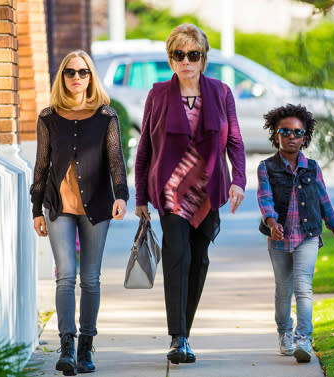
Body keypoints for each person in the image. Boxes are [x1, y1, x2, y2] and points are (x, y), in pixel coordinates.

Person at [134, 23, 246, 364]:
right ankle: (177, 337)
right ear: (170, 59)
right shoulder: (157, 94)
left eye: (192, 55)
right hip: (170, 192)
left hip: (208, 190)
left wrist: (238, 180)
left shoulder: (221, 93)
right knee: (177, 257)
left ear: (203, 58)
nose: (185, 61)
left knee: (199, 260)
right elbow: (145, 148)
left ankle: (185, 332)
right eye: (178, 55)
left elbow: (236, 142)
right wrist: (140, 196)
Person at [30, 49, 128, 375]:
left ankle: (87, 346)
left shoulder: (105, 117)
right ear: (63, 77)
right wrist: (36, 210)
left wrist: (122, 196)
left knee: (90, 279)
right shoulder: (48, 117)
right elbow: (41, 166)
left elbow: (116, 161)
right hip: (58, 207)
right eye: (70, 72)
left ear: (91, 77)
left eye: (83, 72)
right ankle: (67, 347)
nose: (76, 78)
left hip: (97, 206)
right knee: (65, 276)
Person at [256, 104, 334, 363]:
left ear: (305, 137)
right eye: (284, 131)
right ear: (275, 135)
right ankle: (284, 333)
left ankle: (303, 339)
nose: (291, 137)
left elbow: (325, 204)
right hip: (278, 239)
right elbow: (264, 199)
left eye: (297, 133)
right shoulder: (266, 167)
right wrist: (272, 222)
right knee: (283, 290)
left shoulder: (313, 168)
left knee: (303, 287)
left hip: (307, 236)